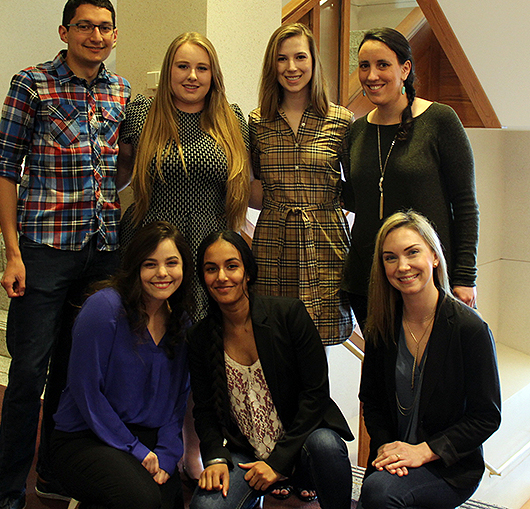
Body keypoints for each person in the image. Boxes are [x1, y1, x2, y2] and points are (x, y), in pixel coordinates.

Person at [0, 0, 130, 508]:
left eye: (105, 27)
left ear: (114, 35)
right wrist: (12, 252)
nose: (96, 36)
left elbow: (121, 167)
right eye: (85, 26)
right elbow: (4, 169)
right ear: (65, 31)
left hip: (102, 250)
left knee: (76, 372)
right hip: (44, 250)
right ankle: (7, 493)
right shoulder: (32, 83)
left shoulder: (121, 91)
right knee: (28, 373)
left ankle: (52, 472)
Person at [188, 230, 354, 509]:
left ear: (248, 272)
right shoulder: (200, 338)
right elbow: (204, 411)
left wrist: (278, 462)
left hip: (301, 446)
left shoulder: (289, 315)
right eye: (211, 269)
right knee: (206, 507)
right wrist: (215, 457)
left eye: (232, 266)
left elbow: (315, 395)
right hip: (246, 455)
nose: (222, 277)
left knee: (325, 445)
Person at [358, 210, 500, 509]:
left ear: (434, 257)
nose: (403, 266)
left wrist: (424, 451)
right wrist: (386, 447)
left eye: (412, 252)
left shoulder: (470, 328)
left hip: (448, 466)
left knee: (379, 494)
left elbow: (486, 416)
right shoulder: (380, 325)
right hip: (395, 456)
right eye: (390, 257)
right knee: (379, 489)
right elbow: (370, 400)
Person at [341, 27, 479, 329]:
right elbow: (353, 198)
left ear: (405, 69)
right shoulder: (356, 131)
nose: (371, 75)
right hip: (368, 282)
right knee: (382, 374)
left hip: (424, 278)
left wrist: (465, 276)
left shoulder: (440, 120)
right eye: (364, 66)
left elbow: (466, 205)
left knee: (431, 374)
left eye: (383, 65)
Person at [51, 221, 192, 509]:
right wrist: (136, 450)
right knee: (140, 500)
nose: (162, 273)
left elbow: (177, 401)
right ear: (135, 267)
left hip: (146, 438)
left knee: (166, 501)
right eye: (150, 264)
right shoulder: (104, 308)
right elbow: (86, 390)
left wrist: (166, 452)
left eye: (171, 263)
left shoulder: (182, 323)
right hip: (86, 436)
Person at [119, 31, 250, 321]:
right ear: (168, 71)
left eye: (202, 68)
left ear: (213, 75)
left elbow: (250, 185)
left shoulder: (233, 120)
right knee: (146, 329)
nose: (192, 76)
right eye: (183, 66)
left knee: (202, 339)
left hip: (210, 244)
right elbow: (120, 171)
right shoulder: (142, 113)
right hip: (150, 240)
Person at [249, 23, 354, 346]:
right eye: (282, 59)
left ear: (313, 62)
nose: (291, 67)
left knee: (319, 344)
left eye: (300, 57)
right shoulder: (257, 122)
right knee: (276, 340)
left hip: (325, 241)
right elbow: (252, 187)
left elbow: (356, 189)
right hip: (273, 241)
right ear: (272, 65)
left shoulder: (341, 120)